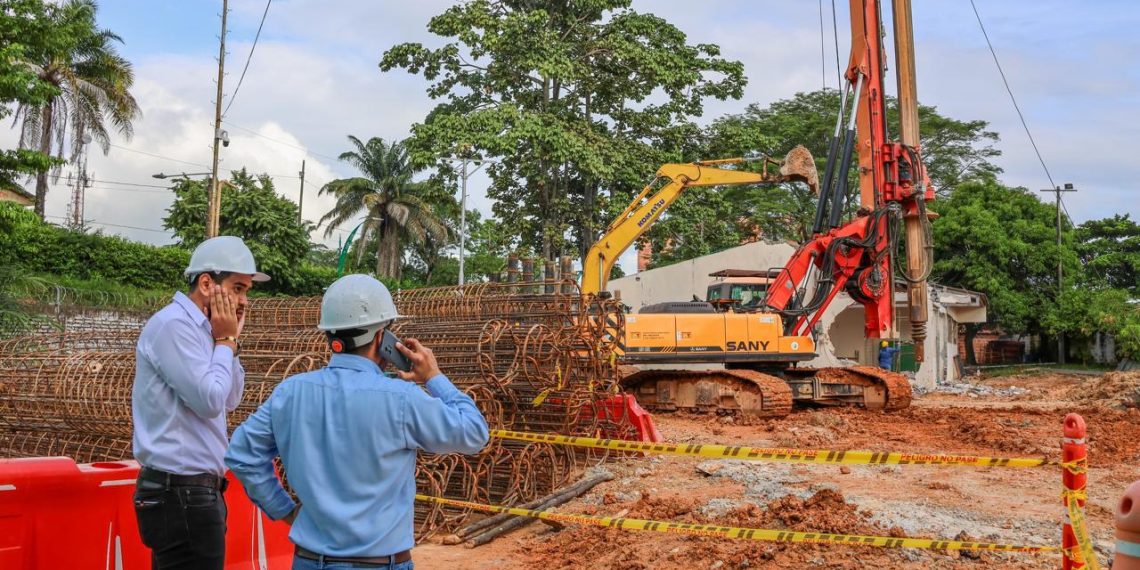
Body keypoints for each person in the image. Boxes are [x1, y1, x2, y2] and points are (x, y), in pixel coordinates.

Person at [225, 274, 489, 570]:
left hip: (309, 561)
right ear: (381, 338)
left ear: (329, 336)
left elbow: (242, 455)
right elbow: (475, 432)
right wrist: (433, 376)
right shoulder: (402, 398)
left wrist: (285, 511)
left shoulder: (291, 392)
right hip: (378, 563)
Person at [131, 235, 270, 569]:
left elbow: (230, 398)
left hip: (193, 495)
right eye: (238, 288)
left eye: (246, 291)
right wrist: (224, 340)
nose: (244, 301)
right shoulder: (174, 326)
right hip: (180, 494)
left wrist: (228, 341)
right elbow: (210, 401)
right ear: (207, 283)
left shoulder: (203, 330)